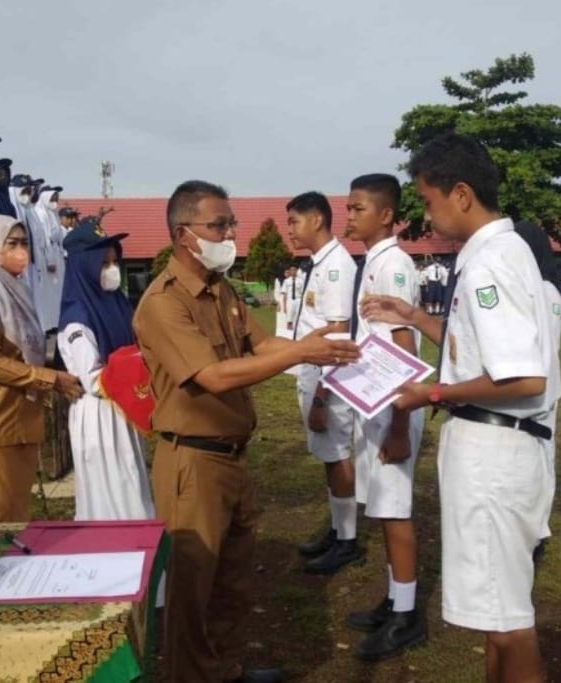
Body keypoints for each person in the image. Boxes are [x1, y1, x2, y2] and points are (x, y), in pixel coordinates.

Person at [133, 180, 358, 683]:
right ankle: (190, 675)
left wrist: (311, 342)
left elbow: (260, 347)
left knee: (231, 579)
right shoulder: (163, 303)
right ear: (183, 234)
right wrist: (302, 354)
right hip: (192, 462)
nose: (231, 233)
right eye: (219, 225)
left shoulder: (221, 291)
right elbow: (212, 376)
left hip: (232, 457)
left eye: (230, 223)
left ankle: (224, 669)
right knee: (193, 588)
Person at [362, 133, 556, 683]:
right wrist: (415, 316)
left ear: (462, 194)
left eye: (428, 199)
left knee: (508, 621)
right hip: (498, 447)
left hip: (494, 452)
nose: (426, 212)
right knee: (499, 613)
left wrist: (431, 393)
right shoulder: (502, 252)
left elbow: (521, 376)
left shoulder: (492, 263)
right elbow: (479, 344)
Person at [0, 214, 83, 522]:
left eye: (24, 243)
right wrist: (51, 379)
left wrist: (61, 367)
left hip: (17, 417)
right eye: (11, 244)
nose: (21, 251)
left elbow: (22, 355)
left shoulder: (12, 291)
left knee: (15, 516)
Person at [342, 174, 425, 659]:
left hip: (394, 403)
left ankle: (406, 617)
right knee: (382, 506)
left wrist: (398, 423)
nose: (348, 216)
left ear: (387, 215)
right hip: (375, 399)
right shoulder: (373, 260)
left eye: (357, 208)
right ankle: (396, 598)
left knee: (395, 511)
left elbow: (403, 345)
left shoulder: (393, 264)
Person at [57, 221, 154, 520]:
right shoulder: (78, 317)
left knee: (132, 481)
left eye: (115, 262)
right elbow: (93, 379)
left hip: (124, 405)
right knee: (110, 491)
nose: (112, 269)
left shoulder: (116, 301)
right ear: (86, 267)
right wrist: (139, 363)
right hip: (100, 413)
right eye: (104, 263)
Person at [287, 191, 360, 575]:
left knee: (338, 454)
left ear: (317, 220)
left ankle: (348, 539)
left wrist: (321, 396)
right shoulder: (319, 264)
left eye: (295, 222)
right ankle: (337, 529)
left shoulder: (336, 267)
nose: (291, 231)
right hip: (314, 371)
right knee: (328, 457)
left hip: (328, 377)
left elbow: (340, 334)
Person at [514, 220, 561, 559]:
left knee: (540, 462)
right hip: (527, 389)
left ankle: (537, 531)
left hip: (540, 390)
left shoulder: (546, 291)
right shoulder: (531, 287)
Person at [35, 185, 63, 332]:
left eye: (56, 199)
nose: (55, 201)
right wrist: (50, 260)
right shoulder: (41, 213)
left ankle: (55, 321)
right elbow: (46, 238)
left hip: (57, 252)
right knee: (48, 292)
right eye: (52, 198)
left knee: (56, 291)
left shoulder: (53, 213)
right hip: (48, 256)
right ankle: (48, 323)